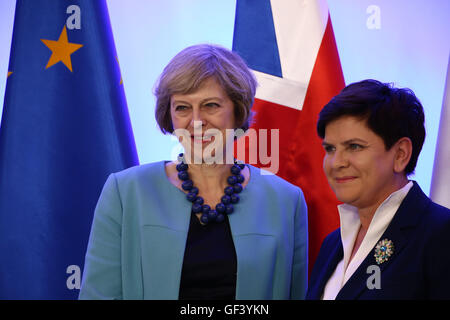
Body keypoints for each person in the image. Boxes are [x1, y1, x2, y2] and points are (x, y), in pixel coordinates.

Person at [79, 44, 308, 300]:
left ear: (238, 111)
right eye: (182, 108)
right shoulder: (125, 193)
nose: (196, 121)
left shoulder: (287, 200)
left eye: (211, 105)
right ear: (169, 116)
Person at [306, 79, 450, 300]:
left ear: (401, 154)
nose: (336, 162)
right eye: (330, 148)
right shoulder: (332, 243)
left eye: (354, 146)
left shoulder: (440, 233)